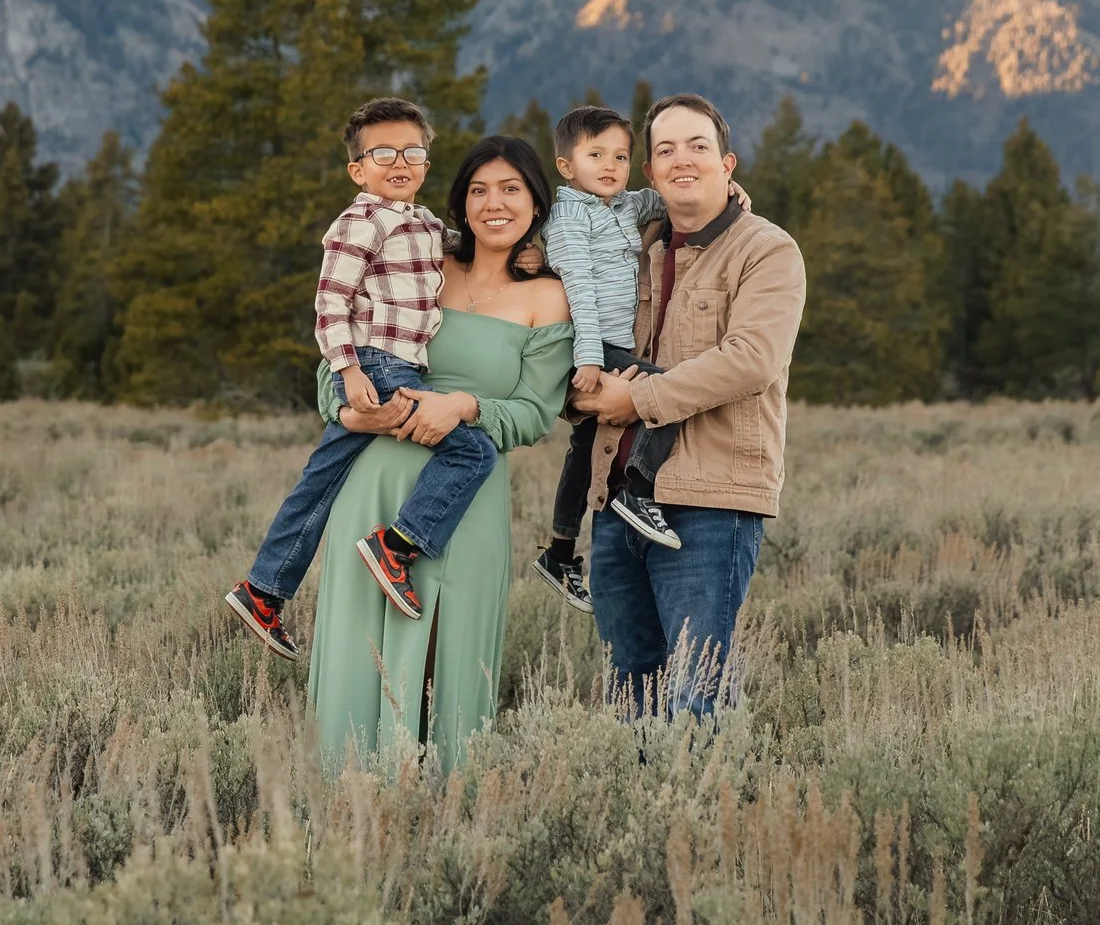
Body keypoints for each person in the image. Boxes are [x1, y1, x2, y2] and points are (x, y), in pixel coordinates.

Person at [302, 136, 573, 770]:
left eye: (511, 189)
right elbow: (336, 365)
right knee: (356, 653)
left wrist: (466, 407)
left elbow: (537, 415)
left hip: (465, 506)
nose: (494, 204)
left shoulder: (549, 297)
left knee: (443, 663)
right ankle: (342, 820)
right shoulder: (420, 263)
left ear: (537, 202)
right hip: (372, 483)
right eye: (479, 190)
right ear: (459, 202)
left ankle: (439, 822)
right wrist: (350, 410)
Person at [223, 97, 499, 660]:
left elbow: (469, 247)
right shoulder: (359, 222)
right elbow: (331, 302)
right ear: (358, 169)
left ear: (427, 160)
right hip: (376, 362)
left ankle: (262, 591)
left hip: (398, 364)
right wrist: (347, 370)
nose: (400, 162)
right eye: (383, 153)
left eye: (413, 151)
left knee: (320, 479)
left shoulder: (425, 224)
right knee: (473, 454)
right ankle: (398, 546)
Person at [575, 93, 805, 719]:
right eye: (666, 150)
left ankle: (699, 817)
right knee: (631, 699)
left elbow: (751, 358)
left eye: (698, 146)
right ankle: (641, 817)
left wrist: (638, 398)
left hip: (708, 505)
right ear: (649, 172)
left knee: (695, 697)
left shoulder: (767, 251)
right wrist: (582, 391)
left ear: (727, 163)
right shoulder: (632, 248)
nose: (683, 160)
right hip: (615, 501)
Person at [533, 104, 682, 614]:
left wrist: (729, 190)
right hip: (590, 345)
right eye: (596, 154)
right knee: (664, 389)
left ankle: (559, 550)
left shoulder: (622, 205)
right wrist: (591, 359)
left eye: (620, 156)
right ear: (566, 166)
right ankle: (638, 489)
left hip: (609, 346)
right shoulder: (568, 219)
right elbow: (577, 290)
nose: (611, 165)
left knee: (584, 443)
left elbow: (660, 197)